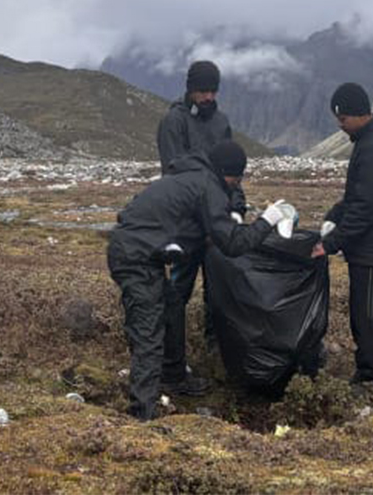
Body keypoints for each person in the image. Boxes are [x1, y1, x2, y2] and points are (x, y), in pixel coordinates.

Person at [107, 140, 293, 420]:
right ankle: (142, 413)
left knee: (172, 307)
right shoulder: (209, 186)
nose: (236, 184)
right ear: (226, 172)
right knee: (148, 330)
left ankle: (173, 376)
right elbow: (233, 244)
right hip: (136, 259)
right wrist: (269, 219)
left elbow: (179, 222)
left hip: (135, 251)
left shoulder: (190, 177)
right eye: (236, 179)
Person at [311, 82, 373, 394]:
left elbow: (364, 209)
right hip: (371, 250)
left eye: (342, 119)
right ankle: (366, 371)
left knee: (371, 316)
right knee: (364, 313)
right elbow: (357, 197)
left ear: (356, 114)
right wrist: (335, 213)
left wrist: (329, 244)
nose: (340, 126)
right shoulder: (369, 142)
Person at [154, 59, 244, 387]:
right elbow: (175, 172)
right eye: (202, 91)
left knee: (219, 290)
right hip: (188, 226)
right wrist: (205, 214)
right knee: (177, 291)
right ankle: (170, 360)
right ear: (190, 89)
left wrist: (236, 208)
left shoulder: (221, 122)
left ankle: (216, 351)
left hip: (218, 222)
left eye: (212, 91)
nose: (208, 97)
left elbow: (232, 170)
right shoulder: (173, 122)